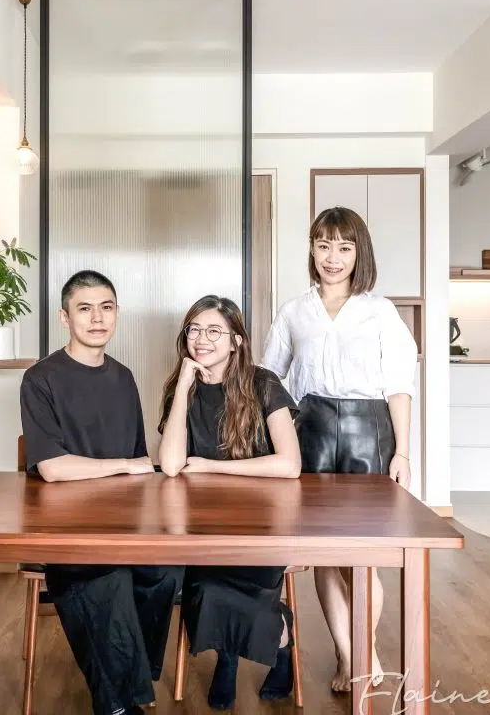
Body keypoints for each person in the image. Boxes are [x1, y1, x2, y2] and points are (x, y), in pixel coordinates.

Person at [261, 206, 417, 694]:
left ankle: (361, 656)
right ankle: (351, 658)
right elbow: (268, 379)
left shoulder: (380, 310)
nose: (333, 257)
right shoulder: (293, 311)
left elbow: (399, 385)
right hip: (311, 430)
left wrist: (403, 452)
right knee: (327, 555)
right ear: (312, 249)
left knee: (363, 555)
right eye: (324, 245)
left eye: (344, 247)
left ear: (358, 252)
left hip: (369, 432)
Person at [20, 270, 183, 715]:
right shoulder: (40, 379)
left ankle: (132, 682)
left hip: (124, 523)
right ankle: (118, 704)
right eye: (85, 309)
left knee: (166, 572)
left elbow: (141, 463)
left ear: (117, 314)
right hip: (66, 527)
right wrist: (124, 466)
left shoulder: (124, 377)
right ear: (65, 317)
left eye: (106, 308)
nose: (97, 318)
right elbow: (52, 468)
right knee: (107, 578)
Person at [157, 294, 302, 710]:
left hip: (265, 521)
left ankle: (280, 645)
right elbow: (171, 465)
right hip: (202, 523)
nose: (201, 339)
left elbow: (290, 464)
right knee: (204, 589)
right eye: (194, 329)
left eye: (214, 331)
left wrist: (211, 467)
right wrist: (183, 388)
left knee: (241, 589)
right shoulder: (181, 389)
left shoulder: (263, 383)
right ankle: (229, 659)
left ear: (237, 340)